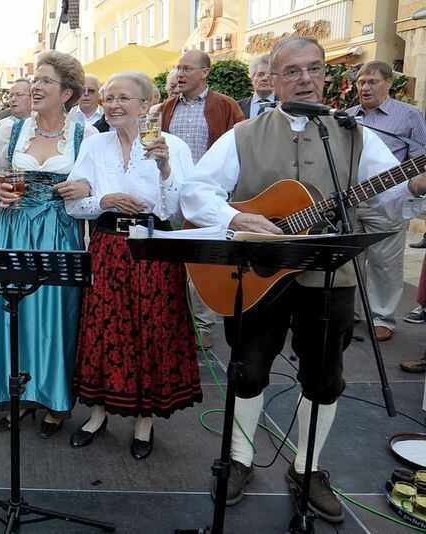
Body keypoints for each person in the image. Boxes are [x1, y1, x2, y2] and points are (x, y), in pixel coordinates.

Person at [181, 37, 426, 523]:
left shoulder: (356, 135)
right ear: (272, 79)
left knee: (325, 377)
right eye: (292, 71)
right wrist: (235, 218)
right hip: (254, 272)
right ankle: (240, 458)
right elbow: (195, 190)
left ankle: (307, 467)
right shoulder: (244, 134)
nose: (306, 79)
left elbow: (385, 203)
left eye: (314, 69)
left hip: (329, 278)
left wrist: (413, 185)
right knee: (247, 370)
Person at [64, 71, 200, 459]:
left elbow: (177, 209)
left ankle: (145, 419)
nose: (114, 105)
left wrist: (165, 169)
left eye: (124, 98)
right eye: (110, 98)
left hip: (153, 248)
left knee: (151, 331)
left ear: (146, 104)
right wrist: (106, 201)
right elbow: (75, 205)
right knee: (104, 330)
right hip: (107, 247)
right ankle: (98, 412)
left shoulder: (171, 145)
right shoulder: (94, 145)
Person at [0, 51, 91, 439]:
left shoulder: (85, 136)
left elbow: (96, 185)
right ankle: (18, 397)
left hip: (59, 233)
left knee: (54, 316)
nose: (36, 86)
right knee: (14, 313)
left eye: (45, 80)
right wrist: (2, 195)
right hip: (14, 229)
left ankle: (53, 401)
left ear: (66, 93)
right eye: (35, 79)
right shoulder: (10, 131)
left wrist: (83, 187)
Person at [159, 50, 245, 349]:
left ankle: (203, 326)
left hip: (207, 197)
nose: (180, 74)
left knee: (202, 262)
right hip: (171, 194)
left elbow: (240, 148)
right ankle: (174, 320)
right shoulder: (166, 108)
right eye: (178, 68)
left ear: (205, 72)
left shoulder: (226, 106)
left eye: (187, 68)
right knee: (172, 260)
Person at [347, 61, 426, 342]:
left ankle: (382, 317)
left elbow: (420, 157)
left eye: (372, 81)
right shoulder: (346, 116)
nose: (365, 87)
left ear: (389, 83)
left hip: (389, 198)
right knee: (350, 258)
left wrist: (412, 186)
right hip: (350, 198)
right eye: (361, 82)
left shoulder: (408, 116)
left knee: (385, 261)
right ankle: (351, 312)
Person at [237, 54, 276, 119]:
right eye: (260, 75)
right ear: (252, 79)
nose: (265, 78)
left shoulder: (284, 104)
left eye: (269, 74)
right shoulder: (238, 106)